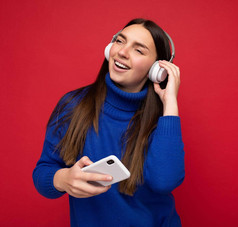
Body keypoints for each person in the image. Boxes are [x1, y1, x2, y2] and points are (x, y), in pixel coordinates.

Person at [33, 18, 185, 227]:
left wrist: (170, 104)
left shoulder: (164, 123)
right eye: (120, 41)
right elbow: (43, 173)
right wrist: (63, 179)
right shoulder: (72, 105)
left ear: (157, 70)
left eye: (139, 50)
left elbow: (164, 182)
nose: (122, 52)